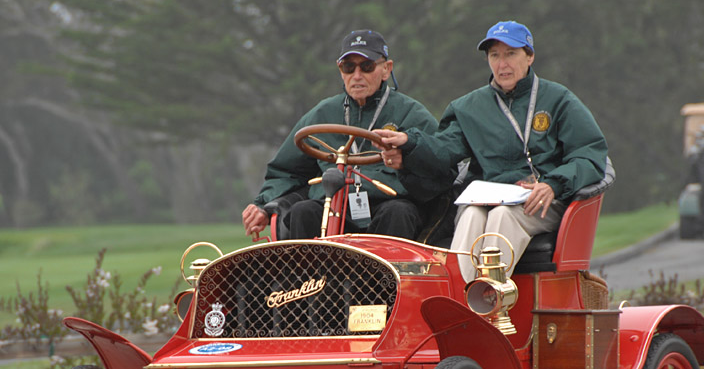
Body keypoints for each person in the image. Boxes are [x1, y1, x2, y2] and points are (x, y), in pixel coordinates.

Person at [376, 20, 608, 281]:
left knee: (502, 216)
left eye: (511, 54)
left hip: (540, 199)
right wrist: (409, 142)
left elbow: (589, 153)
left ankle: (488, 301)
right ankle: (459, 302)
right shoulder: (468, 107)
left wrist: (553, 184)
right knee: (471, 213)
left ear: (529, 56)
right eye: (494, 55)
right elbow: (443, 149)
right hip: (486, 198)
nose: (502, 64)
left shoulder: (558, 99)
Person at [241, 30, 441, 240]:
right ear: (340, 70)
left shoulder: (412, 113)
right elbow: (285, 171)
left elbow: (440, 164)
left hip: (388, 206)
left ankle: (386, 274)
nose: (356, 76)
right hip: (334, 206)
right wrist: (262, 205)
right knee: (303, 211)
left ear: (386, 69)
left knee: (398, 211)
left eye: (366, 67)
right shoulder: (322, 114)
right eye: (348, 67)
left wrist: (408, 157)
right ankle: (309, 274)